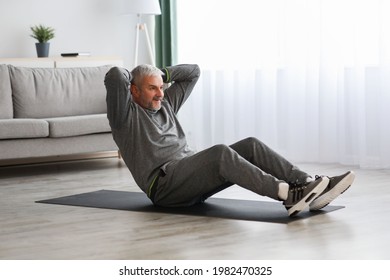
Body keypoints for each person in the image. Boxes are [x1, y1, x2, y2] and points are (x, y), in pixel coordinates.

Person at [104, 64, 355, 217]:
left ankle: (308, 183)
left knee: (250, 145)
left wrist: (162, 72)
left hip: (191, 176)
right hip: (165, 186)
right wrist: (137, 74)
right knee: (220, 153)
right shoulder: (124, 117)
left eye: (161, 86)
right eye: (151, 88)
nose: (160, 93)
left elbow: (193, 72)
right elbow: (115, 75)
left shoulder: (166, 102)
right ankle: (288, 195)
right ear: (134, 90)